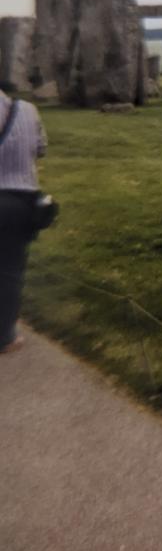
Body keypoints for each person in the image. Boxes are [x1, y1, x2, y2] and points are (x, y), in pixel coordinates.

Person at [0, 89, 48, 354]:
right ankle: (5, 336)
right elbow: (41, 148)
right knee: (9, 270)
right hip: (21, 200)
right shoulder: (29, 110)